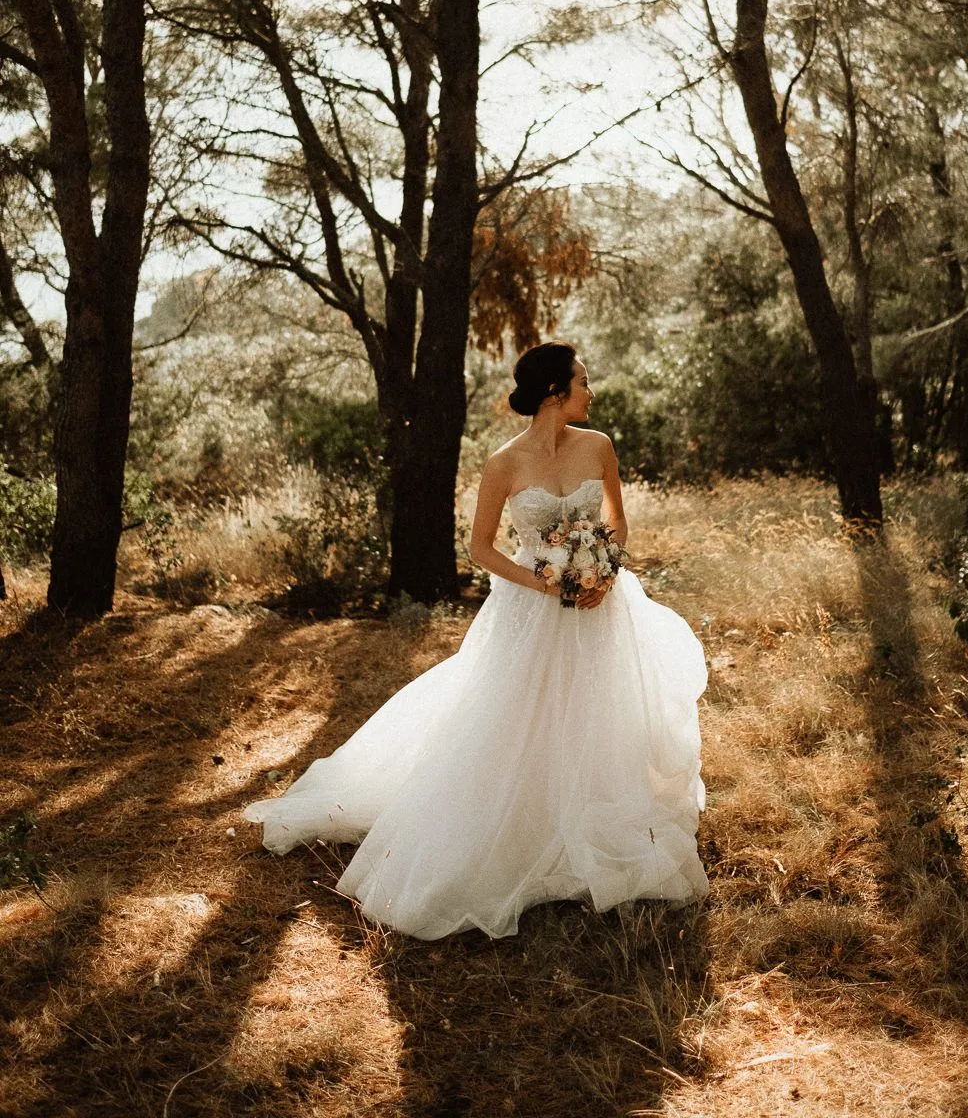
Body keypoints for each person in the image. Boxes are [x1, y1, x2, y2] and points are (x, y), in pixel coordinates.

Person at [244, 341, 709, 939]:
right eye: (583, 381)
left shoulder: (600, 447)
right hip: (531, 606)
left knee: (598, 707)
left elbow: (616, 520)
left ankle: (596, 810)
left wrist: (603, 569)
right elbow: (481, 547)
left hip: (599, 602)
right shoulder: (504, 463)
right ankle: (517, 823)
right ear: (553, 392)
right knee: (514, 715)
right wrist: (544, 581)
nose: (591, 392)